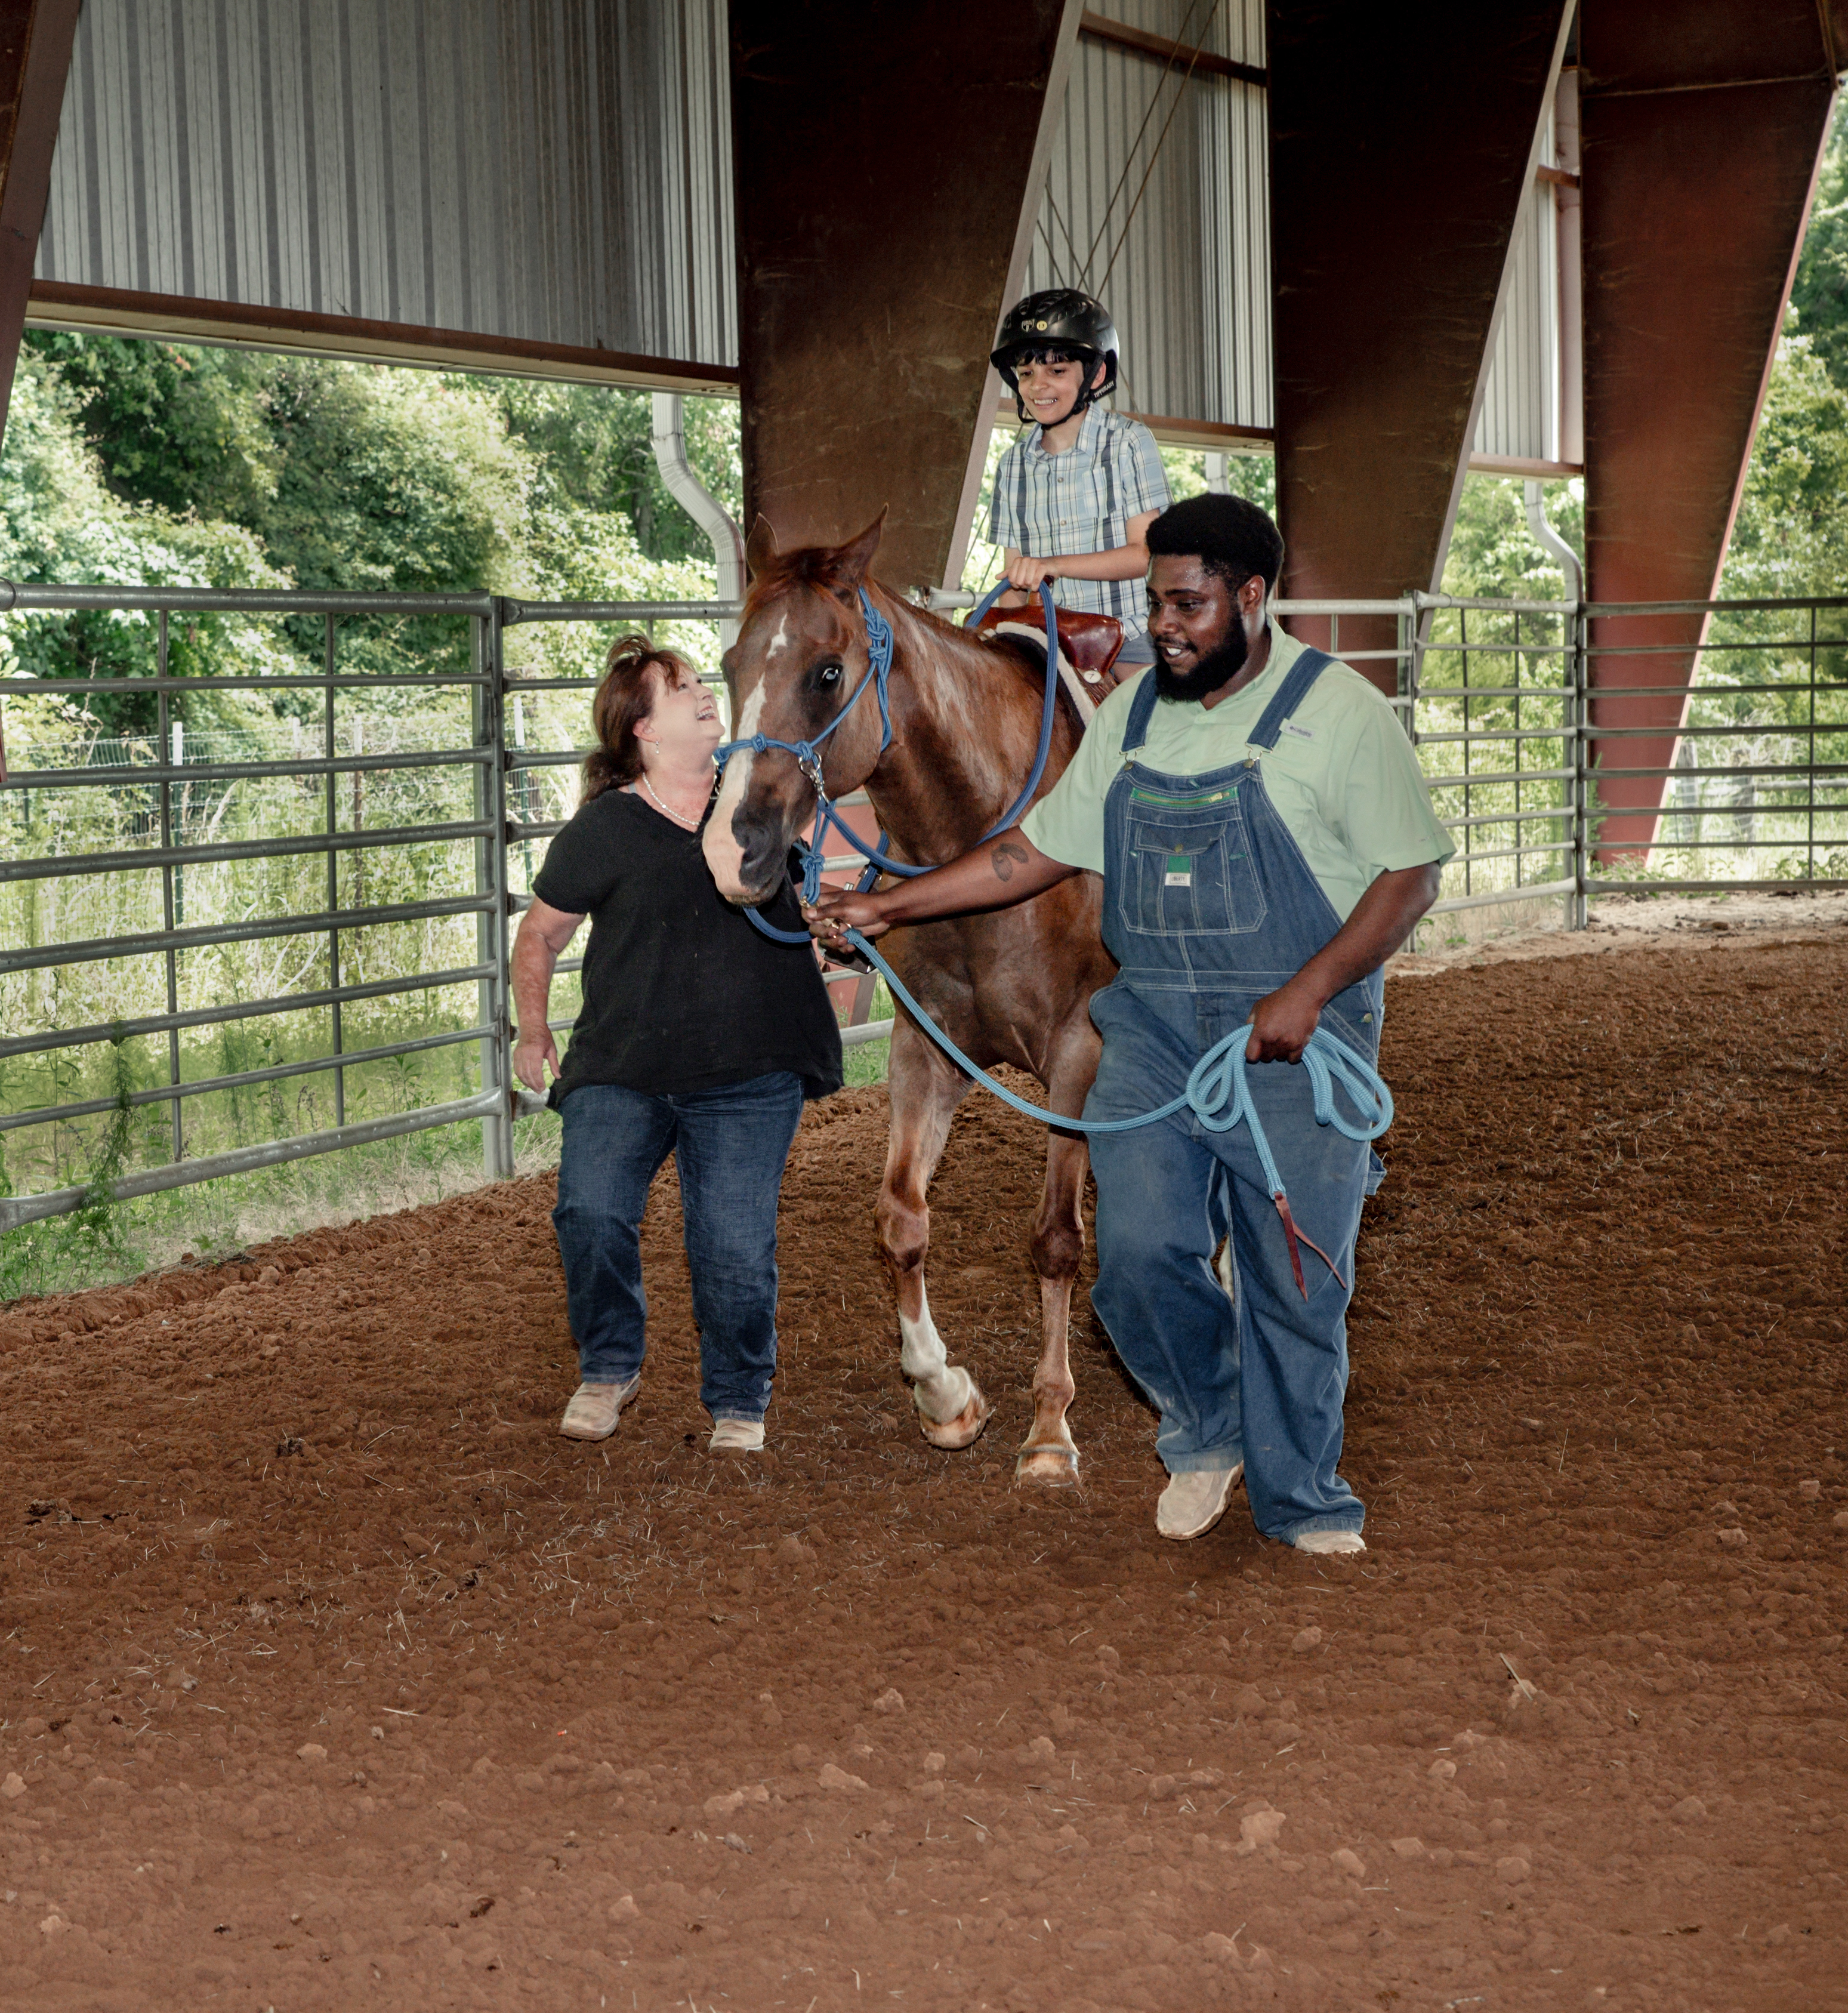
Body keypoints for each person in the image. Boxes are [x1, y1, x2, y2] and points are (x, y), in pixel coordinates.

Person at [807, 494, 1451, 1552]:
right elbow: (1034, 852)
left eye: (1189, 604)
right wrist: (889, 903)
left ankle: (1302, 1497)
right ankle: (1207, 1425)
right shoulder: (1133, 716)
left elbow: (1409, 875)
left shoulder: (1336, 712)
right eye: (1157, 602)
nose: (1164, 624)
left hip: (1293, 1019)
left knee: (1294, 1279)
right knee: (1139, 1258)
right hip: (1152, 1018)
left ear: (1250, 596)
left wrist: (1307, 990)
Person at [510, 637, 844, 1454]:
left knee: (731, 1243)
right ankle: (610, 1365)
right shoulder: (603, 830)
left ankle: (738, 1397)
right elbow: (540, 936)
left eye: (702, 682)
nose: (704, 696)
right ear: (643, 731)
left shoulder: (757, 804)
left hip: (749, 1071)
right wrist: (532, 1024)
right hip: (622, 1068)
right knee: (589, 1210)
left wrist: (844, 928)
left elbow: (806, 917)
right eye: (681, 688)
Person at [986, 288, 1167, 630]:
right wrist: (1001, 632)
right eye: (1026, 374)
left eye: (1057, 372)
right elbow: (1015, 579)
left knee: (1141, 685)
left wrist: (1052, 564)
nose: (1038, 386)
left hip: (1126, 632)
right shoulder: (1011, 466)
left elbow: (1145, 555)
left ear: (1095, 375)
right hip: (1049, 638)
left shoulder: (1128, 442)